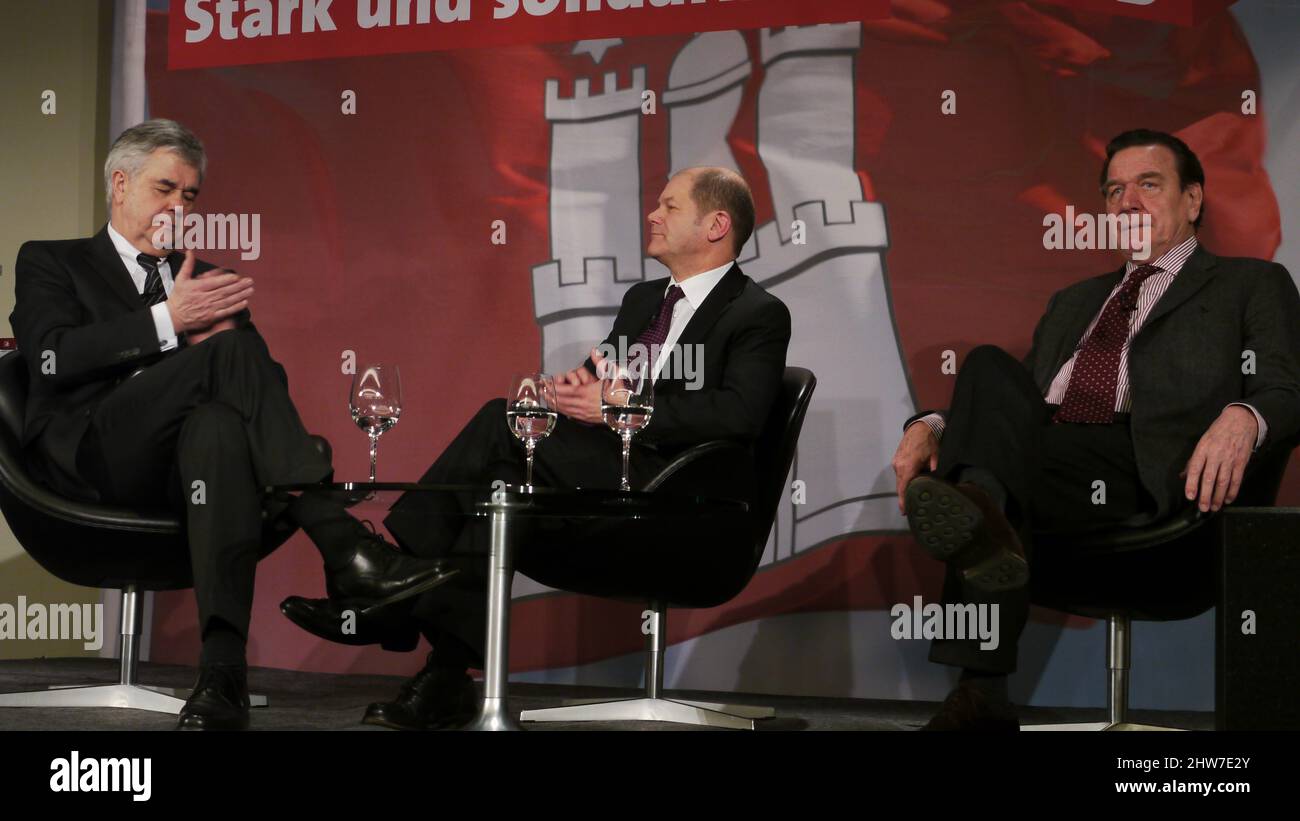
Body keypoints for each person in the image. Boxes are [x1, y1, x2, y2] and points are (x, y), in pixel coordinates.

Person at [283, 166, 794, 729]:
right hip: (610, 476)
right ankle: (442, 667)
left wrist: (621, 410)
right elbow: (597, 378)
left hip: (679, 499)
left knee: (501, 429)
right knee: (508, 473)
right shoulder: (645, 300)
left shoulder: (756, 313)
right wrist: (565, 393)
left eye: (670, 206)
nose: (653, 214)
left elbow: (739, 415)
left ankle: (392, 585)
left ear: (717, 224)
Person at [10, 119, 454, 731]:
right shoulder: (53, 261)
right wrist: (168, 321)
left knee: (220, 428)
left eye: (190, 196)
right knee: (223, 361)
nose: (177, 207)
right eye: (164, 188)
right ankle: (343, 543)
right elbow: (50, 357)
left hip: (185, 473)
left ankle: (223, 675)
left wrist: (205, 331)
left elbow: (259, 389)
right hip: (91, 461)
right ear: (119, 183)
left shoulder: (205, 279)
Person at [890, 129, 1300, 730]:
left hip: (1154, 475)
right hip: (1050, 465)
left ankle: (980, 686)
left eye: (1148, 185)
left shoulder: (1251, 284)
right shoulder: (1074, 300)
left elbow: (1288, 388)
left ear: (1192, 201)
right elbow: (1013, 409)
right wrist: (928, 425)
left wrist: (1246, 415)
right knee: (985, 368)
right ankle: (984, 518)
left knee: (981, 486)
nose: (1126, 201)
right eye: (1114, 190)